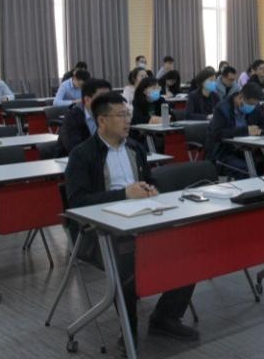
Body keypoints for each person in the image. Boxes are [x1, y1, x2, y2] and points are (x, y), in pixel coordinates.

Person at [65, 92, 198, 351]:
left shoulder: (135, 148)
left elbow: (148, 181)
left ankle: (166, 316)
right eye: (121, 115)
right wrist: (124, 194)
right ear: (102, 120)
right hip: (100, 231)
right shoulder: (82, 155)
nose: (128, 120)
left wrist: (152, 189)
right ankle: (128, 329)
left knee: (188, 246)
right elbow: (77, 202)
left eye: (128, 115)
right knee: (126, 258)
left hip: (142, 220)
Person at [205, 82, 264, 177]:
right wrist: (246, 131)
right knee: (246, 169)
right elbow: (217, 134)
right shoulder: (222, 108)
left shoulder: (254, 107)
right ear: (240, 96)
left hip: (246, 150)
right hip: (224, 153)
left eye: (254, 104)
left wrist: (259, 131)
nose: (251, 107)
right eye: (250, 104)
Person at [55, 78, 111, 156]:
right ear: (87, 100)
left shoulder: (111, 115)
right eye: (101, 98)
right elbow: (75, 149)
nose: (107, 102)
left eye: (109, 97)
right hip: (71, 160)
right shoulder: (72, 117)